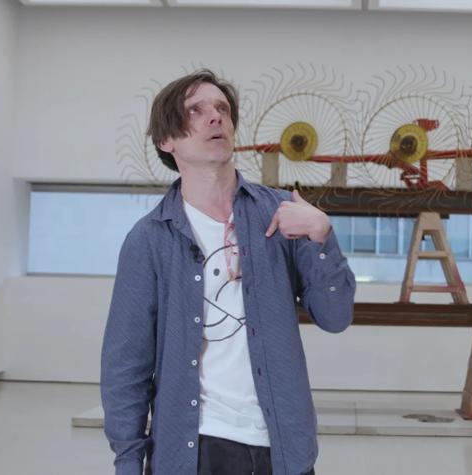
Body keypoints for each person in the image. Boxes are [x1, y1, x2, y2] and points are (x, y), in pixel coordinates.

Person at [100, 69, 355, 475]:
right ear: (167, 141)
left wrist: (322, 237)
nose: (215, 117)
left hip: (284, 445)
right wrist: (129, 464)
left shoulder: (282, 215)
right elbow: (125, 367)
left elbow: (336, 317)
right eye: (196, 110)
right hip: (196, 449)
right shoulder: (149, 240)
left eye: (221, 108)